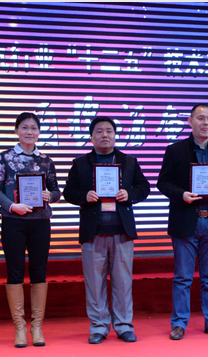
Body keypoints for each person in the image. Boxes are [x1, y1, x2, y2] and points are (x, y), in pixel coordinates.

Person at [63, 116, 150, 344]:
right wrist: (85, 196)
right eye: (99, 131)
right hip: (93, 232)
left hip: (122, 231)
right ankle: (99, 326)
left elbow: (144, 187)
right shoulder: (80, 163)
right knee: (94, 283)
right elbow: (68, 192)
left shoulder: (128, 161)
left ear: (115, 135)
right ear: (91, 137)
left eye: (109, 131)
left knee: (123, 282)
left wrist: (129, 194)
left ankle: (123, 325)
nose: (104, 135)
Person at [157, 104, 208, 340]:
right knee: (183, 277)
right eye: (201, 118)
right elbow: (163, 183)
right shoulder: (175, 150)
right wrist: (181, 194)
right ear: (190, 121)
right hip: (186, 220)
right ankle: (179, 323)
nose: (206, 123)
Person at [0, 112, 61, 348]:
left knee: (39, 272)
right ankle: (19, 328)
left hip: (40, 222)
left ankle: (37, 327)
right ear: (16, 131)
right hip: (13, 221)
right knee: (15, 272)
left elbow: (56, 191)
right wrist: (11, 205)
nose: (29, 132)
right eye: (24, 127)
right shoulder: (4, 158)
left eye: (33, 128)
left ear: (39, 132)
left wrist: (51, 196)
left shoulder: (46, 161)